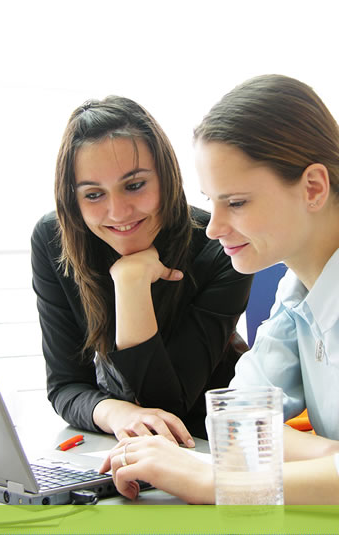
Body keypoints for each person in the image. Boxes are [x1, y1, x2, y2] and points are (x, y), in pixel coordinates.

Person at [100, 75, 339, 504]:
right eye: (212, 201)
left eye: (237, 202)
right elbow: (234, 422)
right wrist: (328, 457)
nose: (213, 228)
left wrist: (212, 482)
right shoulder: (299, 290)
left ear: (313, 188)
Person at [31, 95, 252, 445]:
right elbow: (65, 385)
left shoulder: (220, 245)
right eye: (93, 195)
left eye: (134, 185)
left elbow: (167, 407)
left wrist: (130, 283)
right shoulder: (53, 240)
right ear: (72, 199)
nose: (118, 212)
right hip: (120, 442)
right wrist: (118, 413)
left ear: (165, 176)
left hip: (210, 445)